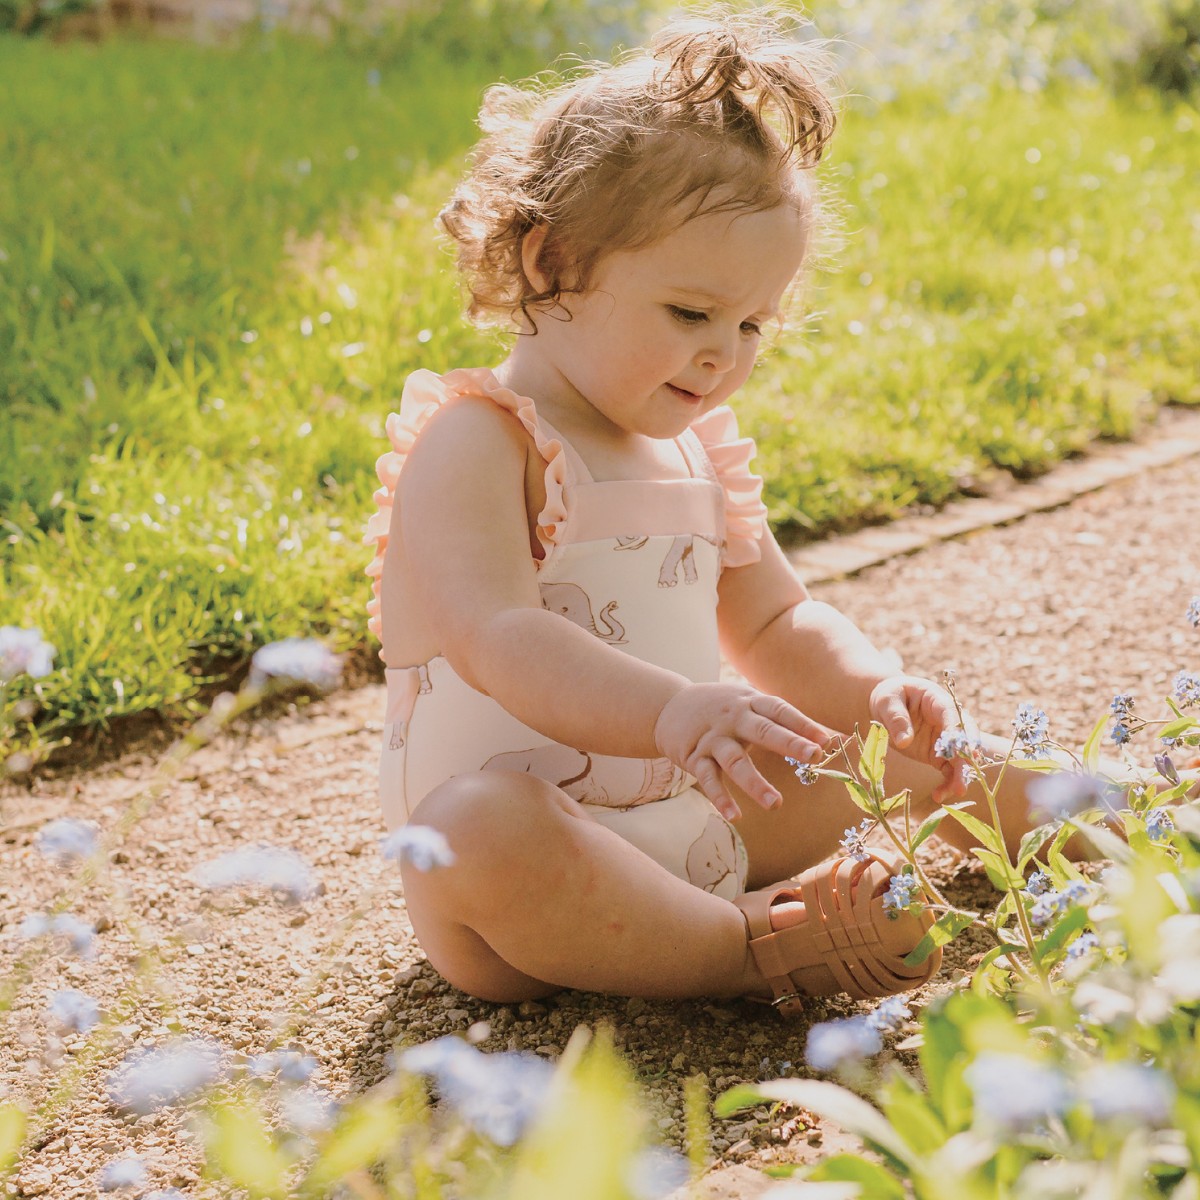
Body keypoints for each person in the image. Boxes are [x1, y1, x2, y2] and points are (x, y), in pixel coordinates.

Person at [362, 7, 1106, 1012]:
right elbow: (502, 635)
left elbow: (774, 621)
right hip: (535, 884)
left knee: (909, 757)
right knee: (469, 831)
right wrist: (668, 711)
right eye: (690, 313)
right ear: (548, 263)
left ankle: (1091, 809)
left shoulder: (695, 447)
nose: (727, 354)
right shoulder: (480, 442)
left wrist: (876, 692)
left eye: (754, 322)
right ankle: (749, 950)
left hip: (700, 820)